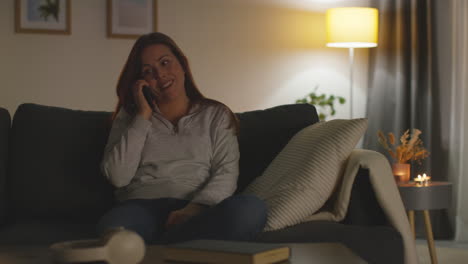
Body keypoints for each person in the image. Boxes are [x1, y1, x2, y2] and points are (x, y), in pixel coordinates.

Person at [96, 32, 267, 244]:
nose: (160, 74)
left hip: (197, 209)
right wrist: (143, 116)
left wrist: (193, 209)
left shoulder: (216, 114)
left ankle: (160, 247)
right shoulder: (130, 117)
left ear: (182, 64)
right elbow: (117, 176)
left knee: (251, 209)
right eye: (149, 71)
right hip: (140, 208)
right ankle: (184, 247)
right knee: (113, 230)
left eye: (165, 63)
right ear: (142, 82)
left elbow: (226, 172)